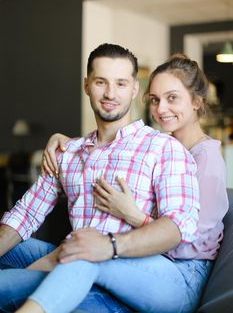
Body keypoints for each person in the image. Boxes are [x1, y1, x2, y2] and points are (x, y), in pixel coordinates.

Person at [0, 44, 202, 313]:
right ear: (86, 85)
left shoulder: (164, 148)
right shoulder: (68, 152)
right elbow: (25, 215)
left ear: (134, 89)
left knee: (82, 251)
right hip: (75, 261)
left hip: (134, 275)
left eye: (120, 83)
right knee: (20, 246)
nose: (110, 93)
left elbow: (177, 227)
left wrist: (107, 245)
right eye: (100, 82)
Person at [39, 53, 228, 312]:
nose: (161, 109)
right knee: (39, 251)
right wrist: (64, 141)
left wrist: (133, 215)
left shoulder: (205, 159)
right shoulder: (161, 147)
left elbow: (189, 243)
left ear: (196, 102)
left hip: (179, 271)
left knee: (83, 253)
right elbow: (107, 151)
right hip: (145, 260)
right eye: (154, 100)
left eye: (172, 98)